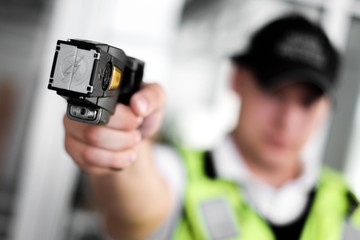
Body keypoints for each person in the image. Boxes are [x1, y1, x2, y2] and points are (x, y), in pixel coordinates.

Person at [63, 14, 360, 240]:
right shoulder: (179, 173)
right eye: (274, 92)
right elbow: (132, 206)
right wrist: (127, 143)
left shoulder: (348, 206)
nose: (288, 120)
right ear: (237, 80)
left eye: (307, 101)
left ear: (326, 108)